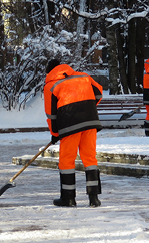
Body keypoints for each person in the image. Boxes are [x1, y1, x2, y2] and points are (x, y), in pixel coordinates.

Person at [43, 59, 103, 207]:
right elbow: (99, 93)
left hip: (69, 125)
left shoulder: (51, 85)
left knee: (67, 160)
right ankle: (94, 198)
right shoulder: (83, 76)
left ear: (50, 72)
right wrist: (86, 107)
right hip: (90, 122)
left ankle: (68, 199)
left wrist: (55, 133)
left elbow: (51, 114)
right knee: (90, 158)